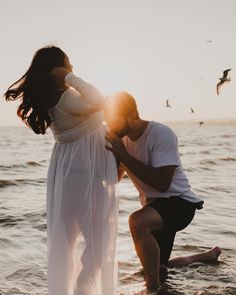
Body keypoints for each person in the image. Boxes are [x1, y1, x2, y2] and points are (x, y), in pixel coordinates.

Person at [4, 46, 119, 295]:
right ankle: (81, 291)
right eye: (68, 64)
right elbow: (100, 101)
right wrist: (69, 77)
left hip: (70, 175)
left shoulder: (53, 99)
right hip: (82, 176)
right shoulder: (66, 97)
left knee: (71, 242)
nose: (73, 68)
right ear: (57, 69)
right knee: (98, 241)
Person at [104, 92, 221, 294]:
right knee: (159, 267)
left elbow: (163, 183)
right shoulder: (122, 140)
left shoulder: (160, 133)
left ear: (131, 115)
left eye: (114, 118)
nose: (110, 124)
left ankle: (152, 290)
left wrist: (123, 155)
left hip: (180, 203)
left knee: (136, 222)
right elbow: (115, 177)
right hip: (154, 207)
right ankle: (205, 257)